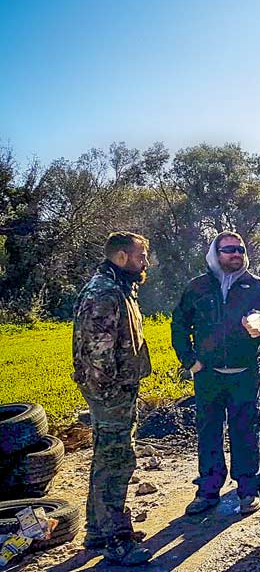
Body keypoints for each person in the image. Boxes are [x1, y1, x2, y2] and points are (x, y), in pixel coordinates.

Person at [172, 232, 260, 517]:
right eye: (228, 249)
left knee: (246, 431)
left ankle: (248, 490)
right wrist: (190, 362)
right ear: (215, 253)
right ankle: (208, 490)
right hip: (208, 375)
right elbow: (179, 326)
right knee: (208, 433)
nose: (236, 254)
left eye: (240, 249)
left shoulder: (257, 286)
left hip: (246, 373)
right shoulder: (197, 287)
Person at [72, 232, 153, 565]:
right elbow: (97, 354)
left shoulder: (118, 287)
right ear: (121, 257)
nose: (144, 262)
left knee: (107, 458)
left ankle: (96, 529)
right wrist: (111, 396)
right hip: (111, 392)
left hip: (113, 390)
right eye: (140, 256)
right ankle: (115, 540)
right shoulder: (105, 293)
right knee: (118, 461)